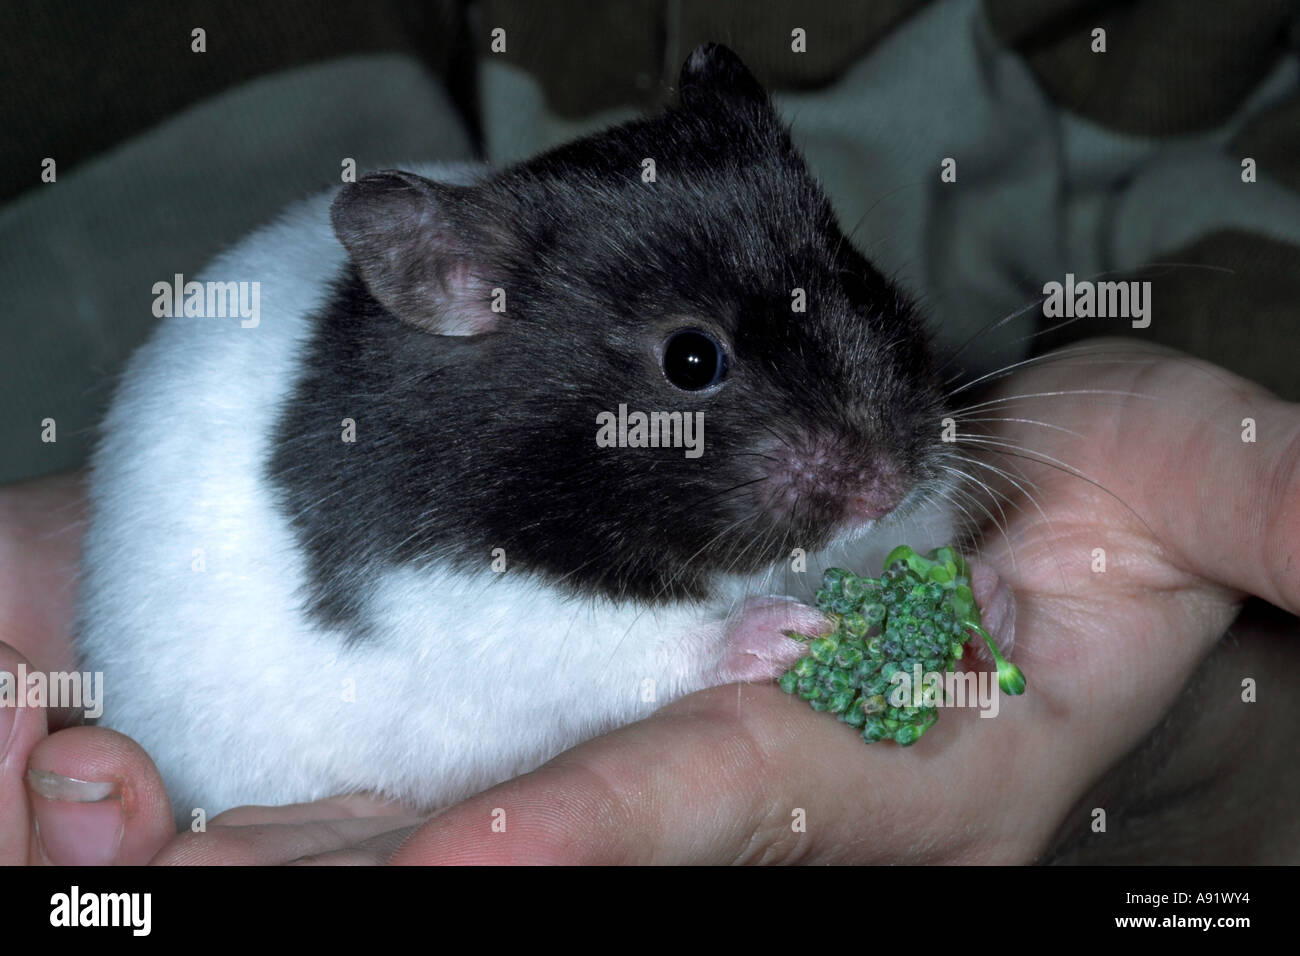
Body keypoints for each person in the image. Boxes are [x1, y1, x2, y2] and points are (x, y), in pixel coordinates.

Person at [1, 339, 1296, 865]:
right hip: (281, 693)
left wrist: (1182, 704)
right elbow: (467, 624)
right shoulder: (487, 495)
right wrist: (697, 652)